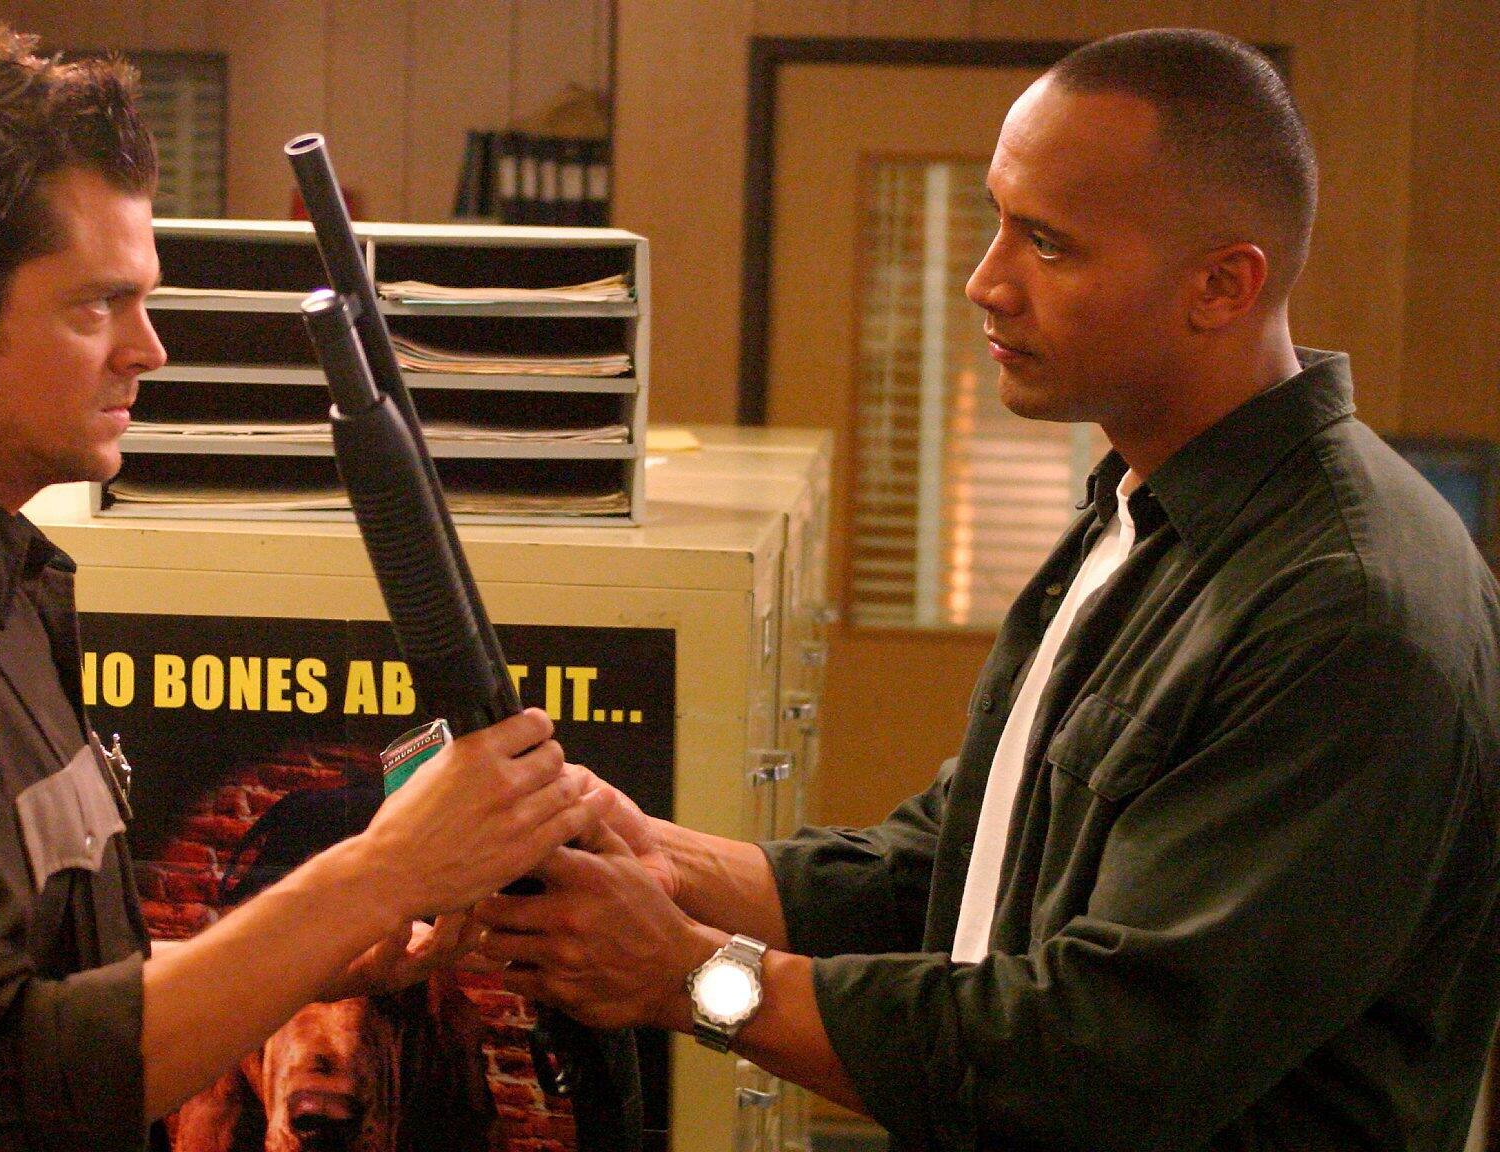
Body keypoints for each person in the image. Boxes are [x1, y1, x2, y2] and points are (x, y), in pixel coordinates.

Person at [470, 27, 1500, 1151]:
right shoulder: (1145, 507)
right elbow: (967, 865)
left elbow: (1102, 1063)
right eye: (998, 220)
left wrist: (692, 979)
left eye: (1047, 244)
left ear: (1220, 285)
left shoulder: (1341, 613)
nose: (985, 281)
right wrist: (661, 860)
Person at [0, 29, 602, 1152]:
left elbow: (59, 986)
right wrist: (381, 872)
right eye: (95, 306)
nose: (147, 349)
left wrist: (318, 951)